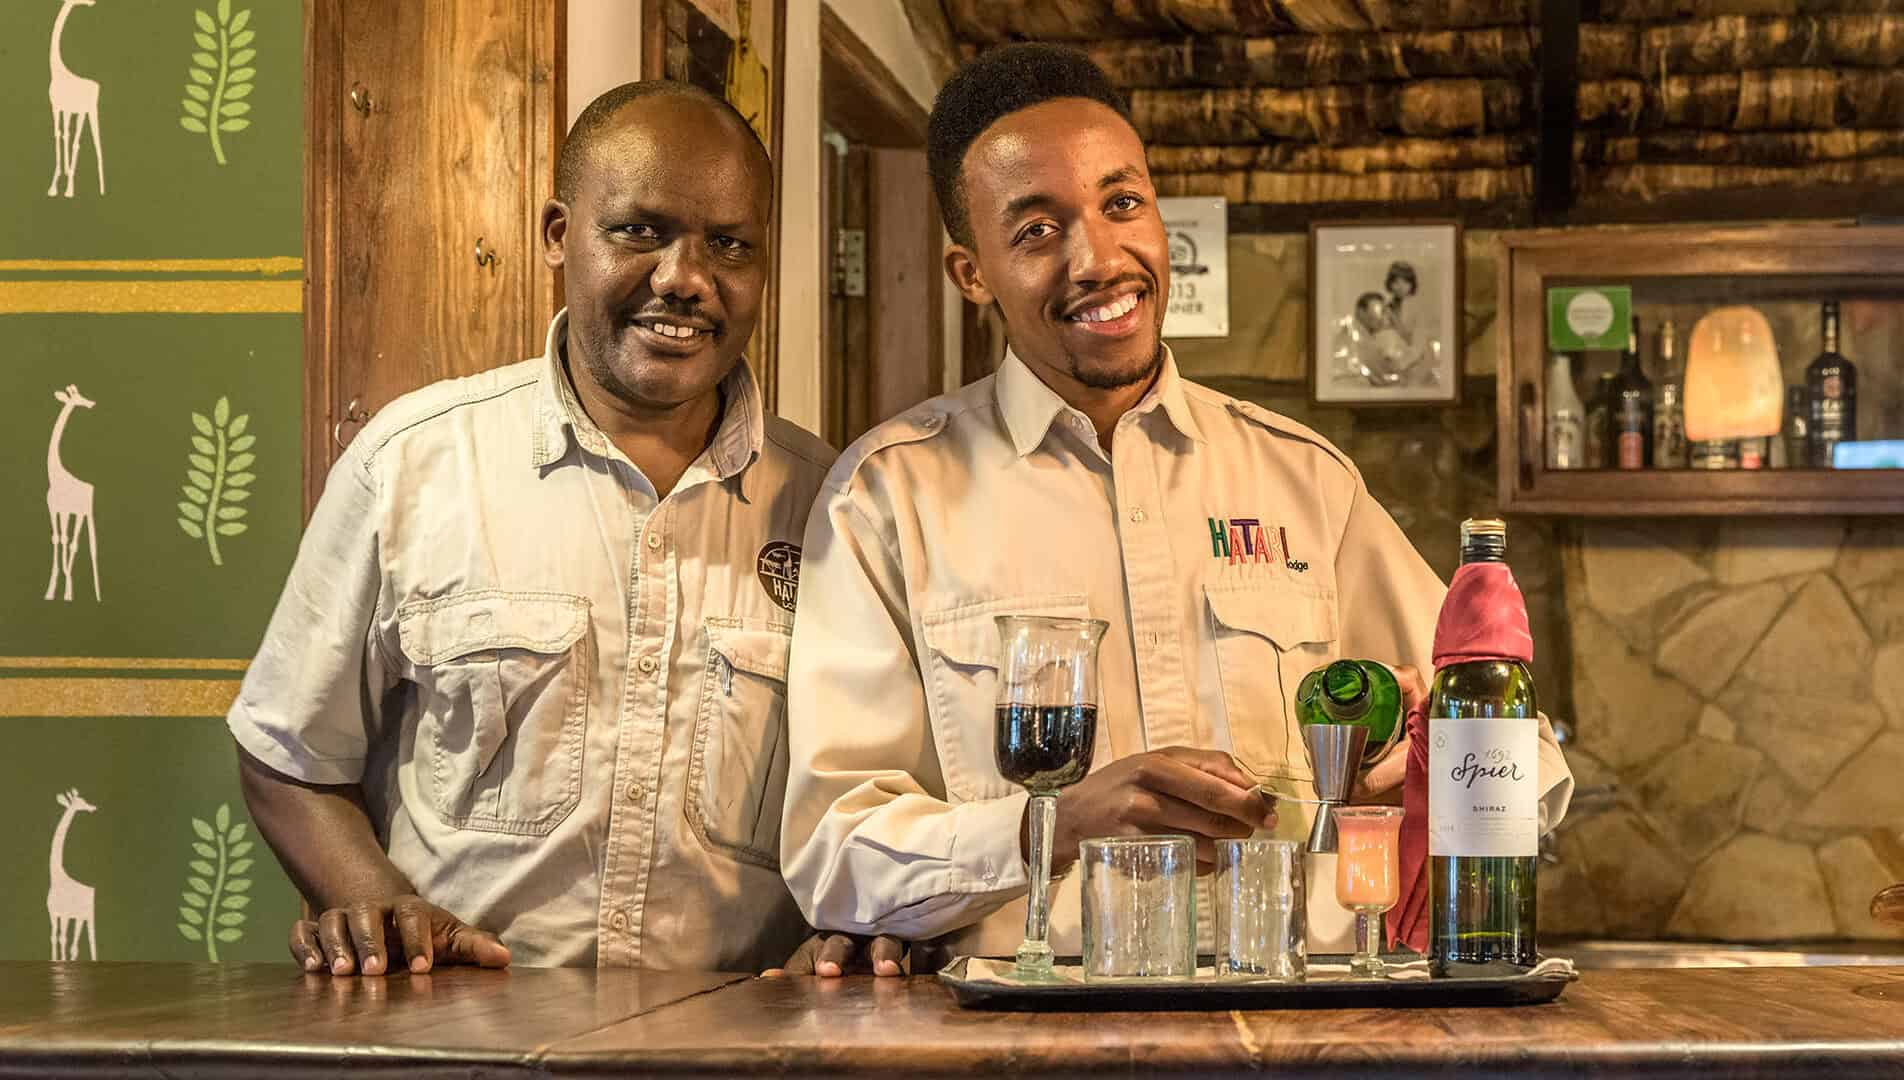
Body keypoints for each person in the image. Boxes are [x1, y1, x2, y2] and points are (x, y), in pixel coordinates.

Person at [781, 44, 1573, 963]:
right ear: (970, 273)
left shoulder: (1307, 481)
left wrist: (1432, 772)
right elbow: (833, 855)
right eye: (1036, 230)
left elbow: (1535, 767)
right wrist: (1053, 828)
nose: (1099, 258)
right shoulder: (887, 499)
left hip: (1302, 1018)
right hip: (1028, 1025)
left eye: (1122, 204)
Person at [228, 81, 896, 978]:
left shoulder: (836, 506)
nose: (685, 278)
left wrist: (854, 928)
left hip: (737, 1035)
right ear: (558, 234)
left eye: (729, 244)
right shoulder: (416, 463)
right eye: (640, 230)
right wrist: (375, 899)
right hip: (459, 1030)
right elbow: (288, 753)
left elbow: (876, 798)